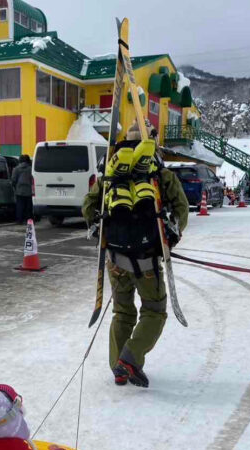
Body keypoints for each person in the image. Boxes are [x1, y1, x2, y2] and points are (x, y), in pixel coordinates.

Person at [82, 122, 188, 388]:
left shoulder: (111, 170)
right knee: (154, 310)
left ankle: (118, 366)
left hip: (115, 257)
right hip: (148, 258)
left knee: (122, 312)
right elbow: (181, 208)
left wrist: (100, 232)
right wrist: (171, 236)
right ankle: (130, 359)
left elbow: (88, 205)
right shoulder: (159, 172)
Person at [12, 155, 33, 225]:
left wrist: (15, 187)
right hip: (29, 190)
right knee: (28, 206)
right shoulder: (30, 169)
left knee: (20, 206)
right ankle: (28, 220)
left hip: (19, 190)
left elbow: (13, 180)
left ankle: (19, 220)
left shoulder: (16, 169)